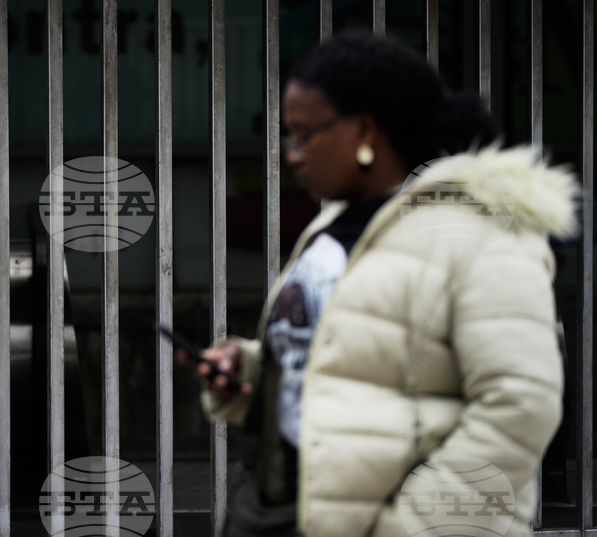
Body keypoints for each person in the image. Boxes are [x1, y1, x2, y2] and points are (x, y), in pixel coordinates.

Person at [190, 31, 578, 536]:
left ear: (365, 131)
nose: (293, 154)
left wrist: (410, 527)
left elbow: (519, 405)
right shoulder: (332, 228)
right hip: (286, 510)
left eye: (305, 134)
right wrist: (253, 368)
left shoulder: (479, 231)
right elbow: (361, 366)